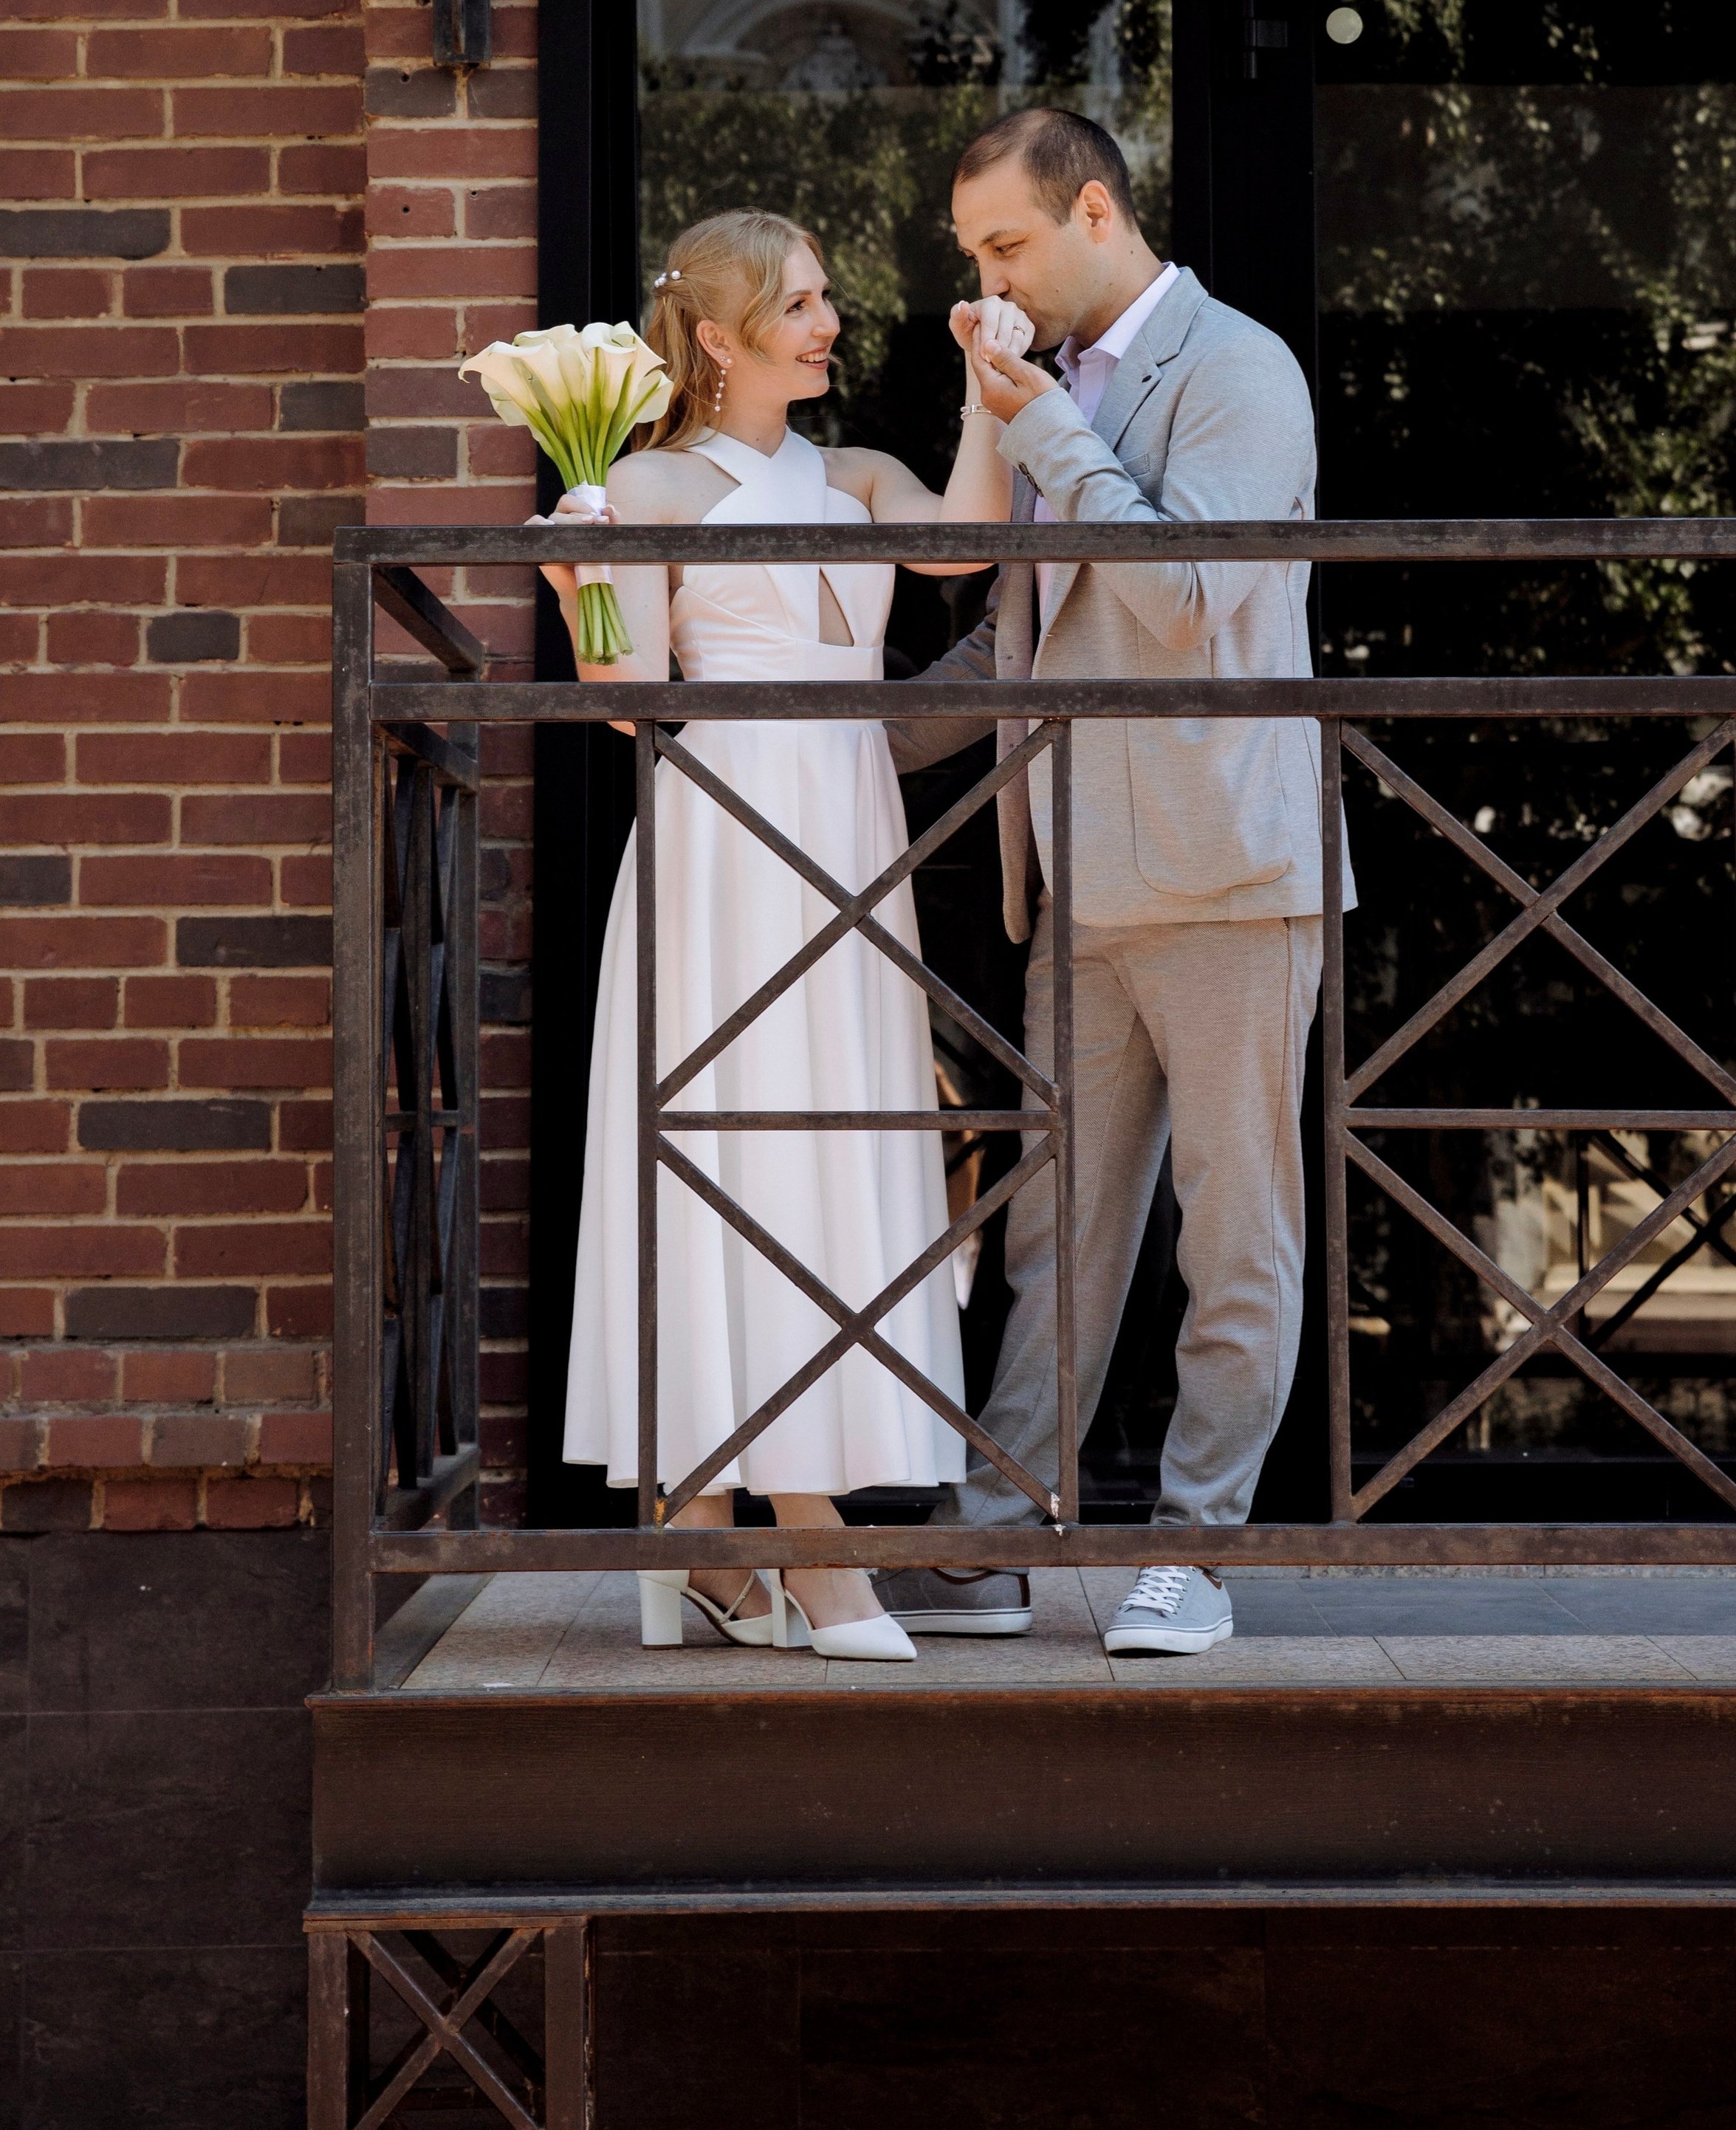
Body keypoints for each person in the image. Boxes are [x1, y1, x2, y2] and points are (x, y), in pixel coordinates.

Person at [878, 108, 1348, 1659]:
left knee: (1233, 1232)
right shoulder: (1044, 396)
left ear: (1092, 212)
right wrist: (804, 740)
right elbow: (1006, 642)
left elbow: (1189, 595)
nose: (985, 281)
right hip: (1074, 882)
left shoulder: (1236, 369)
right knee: (1050, 1232)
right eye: (970, 255)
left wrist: (1045, 434)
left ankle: (1196, 1550)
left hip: (1226, 873)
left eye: (1004, 245)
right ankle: (994, 1544)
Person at [538, 207, 1029, 1663]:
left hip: (847, 833)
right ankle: (804, 1551)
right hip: (726, 834)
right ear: (716, 335)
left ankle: (697, 1546)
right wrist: (583, 578)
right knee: (732, 1150)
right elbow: (624, 692)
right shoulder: (649, 483)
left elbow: (965, 541)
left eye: (824, 300)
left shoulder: (856, 471)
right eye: (797, 304)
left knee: (828, 1150)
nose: (826, 323)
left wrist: (990, 393)